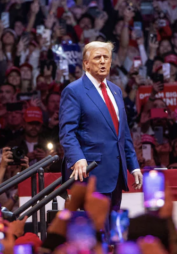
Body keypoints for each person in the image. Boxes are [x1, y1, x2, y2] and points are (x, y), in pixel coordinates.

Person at [59, 41, 142, 215]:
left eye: (107, 58)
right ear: (86, 63)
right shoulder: (74, 91)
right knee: (97, 232)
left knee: (112, 232)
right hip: (91, 173)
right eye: (98, 57)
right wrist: (77, 158)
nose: (103, 61)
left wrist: (133, 166)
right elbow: (67, 132)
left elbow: (123, 133)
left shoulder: (116, 91)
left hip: (116, 173)